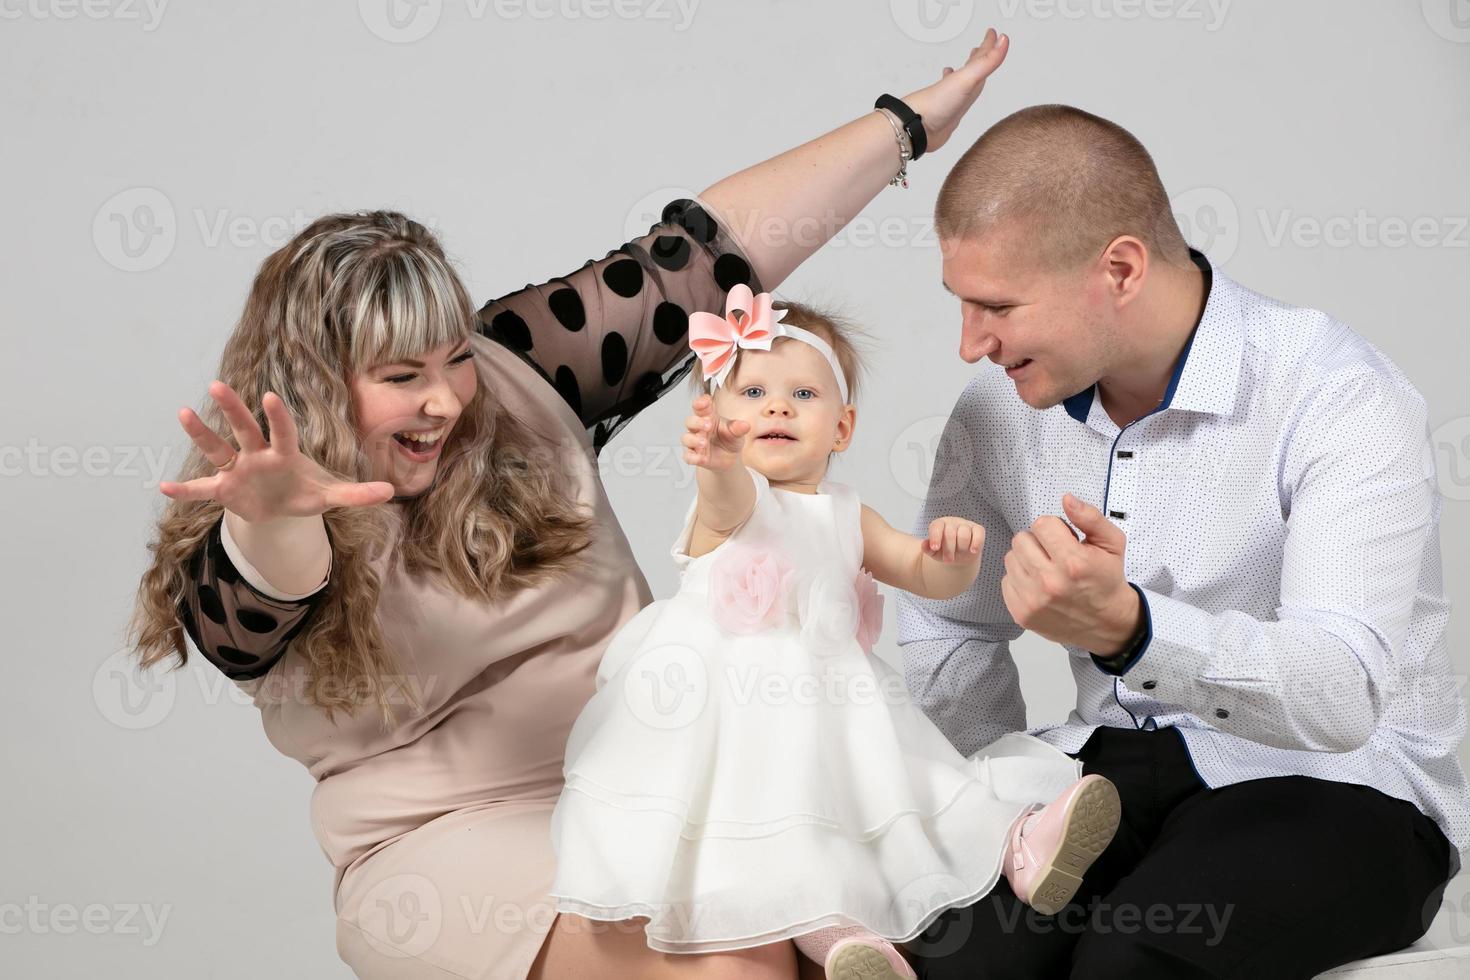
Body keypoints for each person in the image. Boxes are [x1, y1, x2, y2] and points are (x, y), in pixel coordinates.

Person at [126, 30, 1016, 980]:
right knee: (733, 962)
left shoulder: (519, 372)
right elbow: (250, 617)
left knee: (943, 906)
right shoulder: (263, 509)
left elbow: (706, 258)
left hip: (661, 777)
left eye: (452, 360)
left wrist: (908, 126)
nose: (444, 400)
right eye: (400, 376)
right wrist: (269, 518)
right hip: (447, 845)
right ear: (314, 386)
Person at [897, 103, 1470, 979]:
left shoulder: (1336, 394)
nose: (971, 344)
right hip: (1101, 780)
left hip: (1338, 785)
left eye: (997, 306)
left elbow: (1342, 692)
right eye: (961, 304)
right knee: (947, 956)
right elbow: (951, 626)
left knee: (1133, 959)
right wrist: (997, 802)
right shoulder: (995, 415)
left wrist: (1133, 630)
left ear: (1119, 268)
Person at [547, 287, 1122, 980]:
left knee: (913, 788)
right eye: (752, 390)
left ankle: (1019, 845)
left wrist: (954, 560)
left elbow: (920, 576)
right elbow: (726, 502)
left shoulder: (850, 513)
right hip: (726, 711)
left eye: (802, 395)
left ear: (842, 429)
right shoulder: (730, 502)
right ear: (721, 417)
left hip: (834, 699)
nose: (777, 407)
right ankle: (846, 946)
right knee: (775, 825)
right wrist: (717, 465)